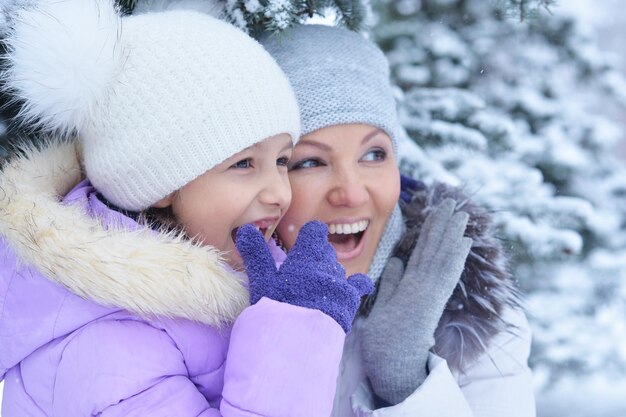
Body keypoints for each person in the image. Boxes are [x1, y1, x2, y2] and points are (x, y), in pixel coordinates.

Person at [0, 3, 372, 416]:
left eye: (282, 161)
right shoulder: (106, 347)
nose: (279, 193)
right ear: (159, 183)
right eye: (244, 164)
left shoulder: (240, 275)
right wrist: (294, 336)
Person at [262, 24, 536, 416]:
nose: (352, 193)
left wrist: (405, 385)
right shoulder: (210, 310)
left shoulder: (471, 318)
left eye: (374, 155)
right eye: (310, 162)